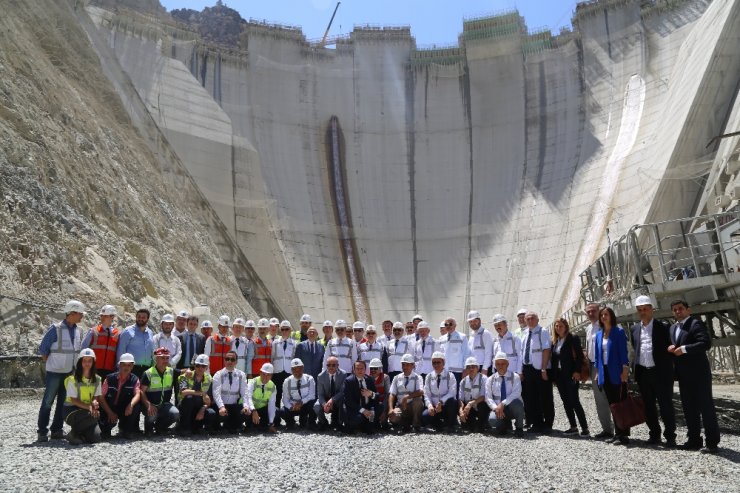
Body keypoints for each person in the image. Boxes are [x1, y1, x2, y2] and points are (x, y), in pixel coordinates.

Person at [668, 300, 720, 453]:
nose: (678, 312)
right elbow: (675, 346)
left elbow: (705, 343)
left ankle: (712, 443)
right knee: (689, 408)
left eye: (681, 309)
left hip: (699, 374)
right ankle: (694, 440)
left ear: (688, 310)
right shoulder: (673, 328)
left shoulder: (695, 324)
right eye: (675, 309)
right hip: (684, 375)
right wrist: (672, 348)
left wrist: (684, 349)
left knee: (706, 408)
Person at [37, 300, 85, 442]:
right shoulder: (55, 328)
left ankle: (57, 430)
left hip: (69, 373)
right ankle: (42, 431)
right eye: (80, 314)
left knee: (62, 403)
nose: (82, 316)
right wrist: (54, 363)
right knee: (47, 402)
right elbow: (43, 350)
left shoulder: (79, 331)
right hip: (54, 373)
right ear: (72, 312)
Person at [631, 295, 676, 446]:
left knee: (666, 405)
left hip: (661, 373)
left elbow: (670, 346)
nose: (643, 312)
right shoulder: (635, 329)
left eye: (645, 309)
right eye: (640, 310)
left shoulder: (663, 327)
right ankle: (654, 435)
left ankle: (670, 436)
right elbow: (636, 349)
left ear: (652, 309)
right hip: (643, 373)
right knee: (648, 406)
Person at [593, 306, 630, 445]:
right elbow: (597, 356)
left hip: (616, 371)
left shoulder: (618, 332)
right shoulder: (599, 334)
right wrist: (597, 372)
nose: (603, 317)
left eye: (606, 314)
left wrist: (625, 369)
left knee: (620, 403)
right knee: (612, 404)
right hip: (604, 372)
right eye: (602, 315)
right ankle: (617, 433)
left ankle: (623, 435)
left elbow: (623, 352)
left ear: (611, 316)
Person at [551, 318, 589, 436]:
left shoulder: (572, 338)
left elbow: (579, 356)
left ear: (566, 326)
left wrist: (577, 371)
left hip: (571, 375)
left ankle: (585, 428)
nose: (558, 328)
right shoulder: (556, 341)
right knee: (566, 401)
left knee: (574, 401)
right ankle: (573, 427)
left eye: (560, 326)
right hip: (560, 376)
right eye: (556, 326)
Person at [520, 310, 554, 434]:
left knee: (545, 397)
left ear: (537, 319)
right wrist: (521, 371)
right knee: (532, 397)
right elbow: (522, 352)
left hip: (540, 369)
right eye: (527, 319)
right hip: (528, 368)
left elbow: (546, 349)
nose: (530, 320)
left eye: (532, 318)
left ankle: (548, 424)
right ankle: (537, 422)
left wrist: (544, 368)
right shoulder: (525, 334)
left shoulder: (542, 332)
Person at [585, 301, 614, 439]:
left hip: (606, 365)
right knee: (600, 399)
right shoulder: (588, 328)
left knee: (612, 397)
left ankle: (620, 430)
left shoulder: (606, 326)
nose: (591, 314)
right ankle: (607, 429)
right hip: (593, 366)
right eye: (588, 312)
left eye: (593, 311)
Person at [63, 348, 102, 445]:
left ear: (93, 362)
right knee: (92, 415)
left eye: (90, 361)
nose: (87, 363)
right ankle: (73, 434)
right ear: (80, 362)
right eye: (84, 360)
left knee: (96, 438)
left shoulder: (97, 379)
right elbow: (74, 400)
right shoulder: (73, 379)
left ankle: (80, 434)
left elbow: (96, 396)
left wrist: (94, 402)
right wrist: (90, 407)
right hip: (70, 411)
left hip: (86, 410)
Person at [98, 352, 141, 440]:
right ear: (119, 365)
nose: (126, 367)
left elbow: (137, 394)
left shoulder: (135, 379)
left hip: (124, 408)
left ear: (132, 367)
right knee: (106, 430)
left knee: (136, 405)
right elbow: (101, 397)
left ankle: (126, 430)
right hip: (109, 408)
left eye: (129, 365)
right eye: (124, 365)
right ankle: (106, 430)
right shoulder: (109, 378)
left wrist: (131, 405)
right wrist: (110, 412)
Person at [140, 347, 181, 436]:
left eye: (167, 358)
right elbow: (141, 392)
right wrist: (148, 405)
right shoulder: (148, 373)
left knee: (176, 414)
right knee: (152, 415)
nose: (165, 360)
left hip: (164, 404)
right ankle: (148, 429)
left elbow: (183, 372)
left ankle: (160, 427)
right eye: (162, 358)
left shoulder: (171, 371)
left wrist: (189, 371)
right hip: (150, 405)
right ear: (156, 359)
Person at [485, 351, 525, 437]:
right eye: (498, 364)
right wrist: (496, 408)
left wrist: (503, 403)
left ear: (507, 364)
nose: (500, 366)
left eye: (503, 363)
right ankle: (505, 425)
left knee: (517, 403)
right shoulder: (490, 379)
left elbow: (516, 393)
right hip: (498, 410)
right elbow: (488, 398)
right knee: (492, 420)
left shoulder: (515, 377)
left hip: (511, 407)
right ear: (495, 365)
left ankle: (519, 428)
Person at [211, 350, 249, 433]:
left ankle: (231, 425)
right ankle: (218, 426)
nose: (229, 361)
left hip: (234, 406)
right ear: (224, 360)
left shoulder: (241, 375)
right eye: (227, 359)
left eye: (232, 359)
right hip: (221, 406)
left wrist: (246, 406)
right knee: (214, 415)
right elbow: (216, 393)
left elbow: (245, 392)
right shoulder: (218, 374)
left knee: (246, 413)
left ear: (236, 362)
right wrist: (221, 407)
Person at [177, 354, 215, 436]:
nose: (200, 368)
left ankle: (198, 427)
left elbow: (209, 400)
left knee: (211, 413)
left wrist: (203, 409)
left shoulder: (209, 379)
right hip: (185, 407)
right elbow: (183, 392)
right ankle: (184, 428)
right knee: (189, 398)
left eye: (203, 366)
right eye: (198, 365)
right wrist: (200, 393)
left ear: (206, 368)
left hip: (199, 407)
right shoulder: (185, 376)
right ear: (194, 366)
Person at [422, 352, 459, 432]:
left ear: (443, 363)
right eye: (434, 363)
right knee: (425, 415)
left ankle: (450, 425)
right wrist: (429, 406)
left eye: (438, 362)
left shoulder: (450, 376)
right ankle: (439, 425)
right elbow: (426, 394)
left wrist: (441, 402)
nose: (436, 365)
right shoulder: (429, 376)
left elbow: (452, 392)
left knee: (453, 401)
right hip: (434, 407)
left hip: (445, 406)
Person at [387, 354, 424, 434]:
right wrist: (390, 408)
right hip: (401, 406)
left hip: (412, 406)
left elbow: (421, 391)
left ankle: (416, 425)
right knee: (393, 418)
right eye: (403, 364)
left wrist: (407, 397)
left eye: (407, 365)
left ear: (413, 365)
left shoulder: (418, 377)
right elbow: (392, 394)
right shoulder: (396, 378)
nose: (405, 367)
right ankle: (405, 424)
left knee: (418, 401)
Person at [82, 304, 120, 378]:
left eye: (105, 316)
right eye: (101, 316)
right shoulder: (93, 331)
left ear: (112, 317)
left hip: (110, 370)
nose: (102, 318)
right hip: (93, 369)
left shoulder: (117, 333)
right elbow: (83, 349)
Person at [343, 360, 380, 434]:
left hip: (368, 407)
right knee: (358, 418)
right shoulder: (348, 381)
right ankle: (356, 426)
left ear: (365, 369)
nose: (360, 370)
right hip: (356, 409)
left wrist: (371, 394)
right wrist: (363, 410)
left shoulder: (369, 379)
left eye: (362, 368)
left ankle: (367, 426)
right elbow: (348, 401)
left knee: (380, 407)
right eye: (357, 368)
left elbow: (377, 396)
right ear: (353, 370)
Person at [116, 308, 155, 377]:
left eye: (143, 317)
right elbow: (121, 350)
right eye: (139, 317)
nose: (140, 319)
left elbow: (152, 351)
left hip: (147, 369)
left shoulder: (150, 332)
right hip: (131, 368)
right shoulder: (127, 331)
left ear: (147, 319)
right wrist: (120, 368)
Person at [279, 358, 317, 429]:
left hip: (305, 404)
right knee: (282, 411)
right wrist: (290, 407)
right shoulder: (287, 381)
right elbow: (285, 399)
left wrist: (302, 402)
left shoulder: (309, 379)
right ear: (291, 370)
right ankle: (290, 422)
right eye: (294, 369)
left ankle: (310, 422)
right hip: (293, 406)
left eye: (299, 369)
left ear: (303, 368)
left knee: (315, 405)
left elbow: (312, 395)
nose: (297, 371)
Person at [314, 356, 346, 431]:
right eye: (328, 365)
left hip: (337, 398)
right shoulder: (320, 376)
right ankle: (323, 422)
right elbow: (320, 394)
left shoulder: (343, 374)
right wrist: (324, 404)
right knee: (316, 406)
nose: (331, 367)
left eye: (333, 365)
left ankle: (339, 422)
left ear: (338, 366)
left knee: (343, 403)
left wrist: (332, 400)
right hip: (325, 398)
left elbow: (342, 391)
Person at [458, 356, 489, 433]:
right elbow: (461, 399)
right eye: (468, 367)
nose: (471, 369)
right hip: (469, 409)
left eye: (473, 367)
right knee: (468, 426)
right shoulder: (463, 381)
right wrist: (461, 410)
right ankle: (470, 423)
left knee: (483, 405)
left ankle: (482, 424)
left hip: (479, 405)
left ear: (478, 368)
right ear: (466, 369)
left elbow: (484, 396)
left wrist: (471, 403)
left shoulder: (484, 379)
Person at [245, 363, 278, 433]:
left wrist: (271, 423)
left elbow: (271, 405)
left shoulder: (272, 386)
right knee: (246, 412)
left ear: (271, 376)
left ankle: (262, 425)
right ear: (260, 373)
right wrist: (253, 410)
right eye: (264, 374)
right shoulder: (253, 382)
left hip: (261, 409)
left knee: (277, 412)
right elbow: (248, 398)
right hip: (249, 407)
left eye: (268, 375)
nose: (265, 377)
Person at [272, 320, 297, 406]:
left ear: (290, 330)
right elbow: (272, 357)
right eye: (283, 329)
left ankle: (289, 416)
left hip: (288, 372)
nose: (285, 331)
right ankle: (276, 416)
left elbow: (294, 358)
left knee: (289, 395)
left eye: (287, 329)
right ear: (280, 330)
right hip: (277, 372)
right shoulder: (275, 343)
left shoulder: (294, 344)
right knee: (277, 395)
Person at [438, 317, 470, 383]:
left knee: (457, 392)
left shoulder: (462, 337)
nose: (448, 326)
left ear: (455, 326)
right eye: (446, 324)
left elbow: (466, 354)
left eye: (450, 324)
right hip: (445, 371)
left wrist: (465, 370)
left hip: (457, 372)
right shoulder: (441, 339)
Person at [467, 310, 493, 375]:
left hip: (483, 368)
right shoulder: (471, 335)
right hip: (473, 367)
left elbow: (488, 353)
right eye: (470, 322)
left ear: (480, 321)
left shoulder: (485, 333)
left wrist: (485, 368)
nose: (473, 323)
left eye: (475, 321)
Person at [368, 358, 391, 430]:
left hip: (384, 402)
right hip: (372, 403)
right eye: (371, 368)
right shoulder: (367, 378)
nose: (373, 370)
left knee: (384, 425)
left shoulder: (385, 377)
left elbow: (388, 394)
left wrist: (383, 410)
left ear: (380, 368)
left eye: (375, 368)